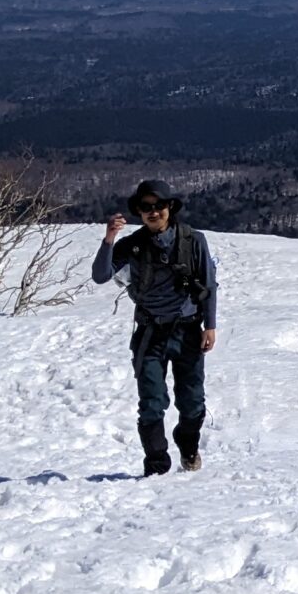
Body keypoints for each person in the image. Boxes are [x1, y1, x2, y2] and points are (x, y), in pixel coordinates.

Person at [94, 179, 218, 476]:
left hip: (187, 330)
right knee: (151, 401)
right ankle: (157, 466)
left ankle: (187, 444)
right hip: (150, 333)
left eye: (159, 206)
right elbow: (100, 275)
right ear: (138, 211)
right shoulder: (132, 244)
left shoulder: (193, 240)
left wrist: (209, 326)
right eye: (146, 207)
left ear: (170, 207)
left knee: (192, 402)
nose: (153, 212)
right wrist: (109, 238)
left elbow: (210, 284)